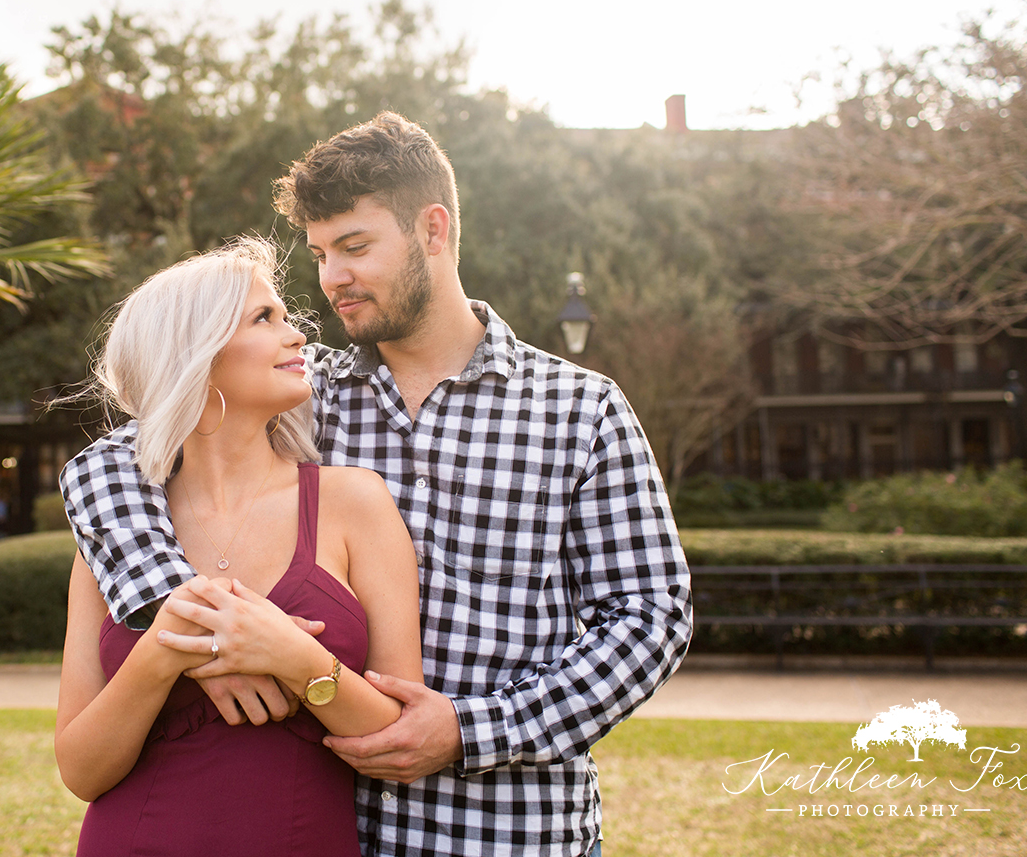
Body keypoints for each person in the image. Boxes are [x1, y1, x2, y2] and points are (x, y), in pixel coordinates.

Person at [63, 112, 694, 857]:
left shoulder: (579, 410)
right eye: (322, 253)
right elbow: (112, 462)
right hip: (339, 824)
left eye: (355, 248)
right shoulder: (304, 395)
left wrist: (470, 730)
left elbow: (650, 618)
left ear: (433, 230)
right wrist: (188, 614)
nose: (332, 279)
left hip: (511, 831)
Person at [53, 239, 424, 856]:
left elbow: (396, 735)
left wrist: (290, 654)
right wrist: (168, 649)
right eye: (264, 318)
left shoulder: (352, 502)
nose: (299, 335)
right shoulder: (115, 536)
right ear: (196, 354)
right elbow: (81, 771)